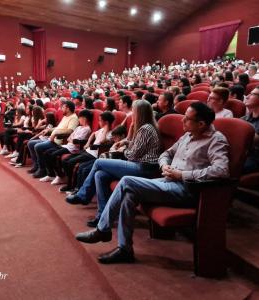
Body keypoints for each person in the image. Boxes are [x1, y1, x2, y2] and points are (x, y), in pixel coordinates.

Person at [75, 102, 230, 264]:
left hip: (187, 189)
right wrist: (165, 165)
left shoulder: (216, 140)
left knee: (126, 181)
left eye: (187, 119)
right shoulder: (188, 135)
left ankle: (102, 229)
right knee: (129, 194)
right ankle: (124, 249)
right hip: (167, 180)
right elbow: (166, 154)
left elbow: (221, 170)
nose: (182, 121)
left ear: (201, 124)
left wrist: (182, 174)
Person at [66, 100, 162, 225]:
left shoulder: (145, 129)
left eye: (134, 111)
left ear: (140, 113)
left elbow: (132, 155)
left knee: (99, 162)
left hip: (144, 168)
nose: (132, 114)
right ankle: (102, 216)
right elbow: (137, 148)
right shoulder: (144, 127)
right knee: (100, 175)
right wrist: (127, 142)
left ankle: (83, 195)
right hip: (139, 164)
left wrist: (123, 150)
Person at [59, 111, 114, 193]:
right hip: (88, 151)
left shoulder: (111, 134)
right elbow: (93, 134)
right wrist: (88, 143)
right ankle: (70, 184)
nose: (98, 122)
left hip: (94, 155)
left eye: (100, 120)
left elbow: (101, 142)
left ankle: (73, 187)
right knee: (65, 160)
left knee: (73, 163)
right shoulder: (101, 129)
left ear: (106, 122)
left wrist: (106, 129)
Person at [39, 109, 93, 185]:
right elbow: (69, 138)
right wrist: (72, 140)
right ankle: (51, 174)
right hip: (67, 146)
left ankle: (60, 176)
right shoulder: (78, 128)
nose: (78, 120)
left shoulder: (87, 129)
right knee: (47, 153)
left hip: (73, 149)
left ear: (84, 118)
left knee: (53, 155)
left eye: (79, 118)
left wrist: (72, 140)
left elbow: (75, 141)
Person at [29, 101, 79, 178]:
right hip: (52, 138)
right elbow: (58, 127)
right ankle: (37, 165)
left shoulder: (74, 118)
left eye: (63, 107)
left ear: (68, 108)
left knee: (37, 146)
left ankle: (43, 170)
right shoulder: (65, 116)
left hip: (58, 141)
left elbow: (70, 131)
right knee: (31, 143)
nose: (61, 109)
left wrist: (55, 133)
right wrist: (49, 130)